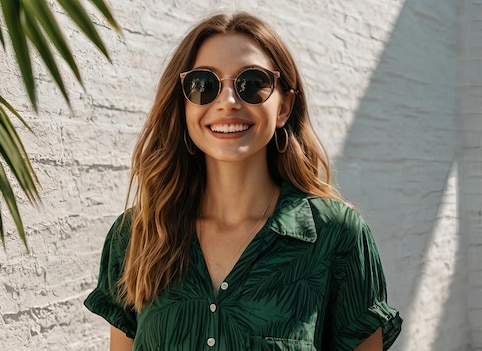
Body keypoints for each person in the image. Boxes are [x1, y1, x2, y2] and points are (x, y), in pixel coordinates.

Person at [84, 12, 402, 351]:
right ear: (184, 105)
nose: (228, 102)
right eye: (204, 85)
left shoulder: (336, 235)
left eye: (252, 83)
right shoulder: (137, 233)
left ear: (284, 106)